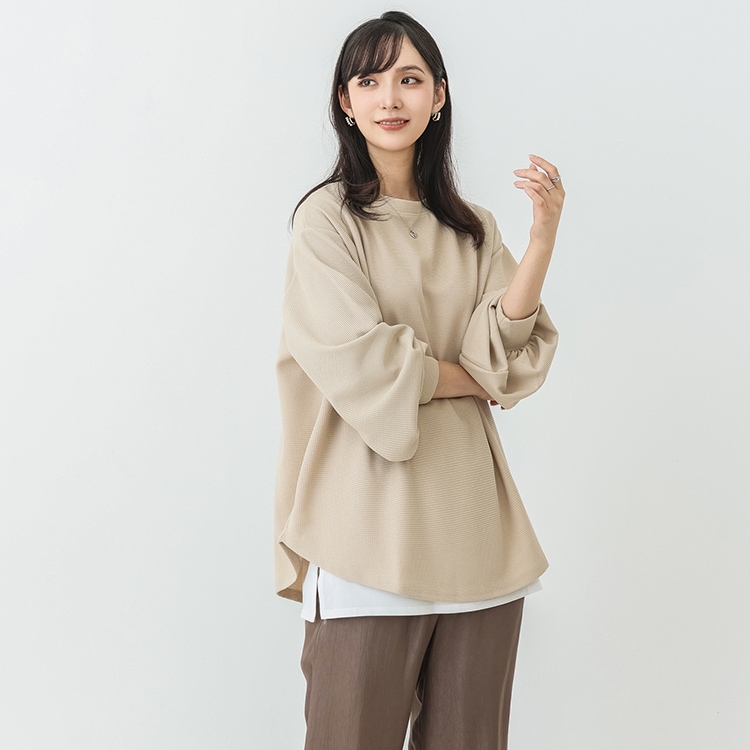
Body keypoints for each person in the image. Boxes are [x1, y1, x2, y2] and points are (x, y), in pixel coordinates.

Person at [274, 10, 564, 750]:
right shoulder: (326, 220)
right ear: (345, 101)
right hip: (366, 536)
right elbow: (364, 359)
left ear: (439, 95)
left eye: (409, 79)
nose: (389, 98)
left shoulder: (474, 228)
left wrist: (540, 242)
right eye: (370, 81)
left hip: (477, 535)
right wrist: (469, 376)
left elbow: (508, 353)